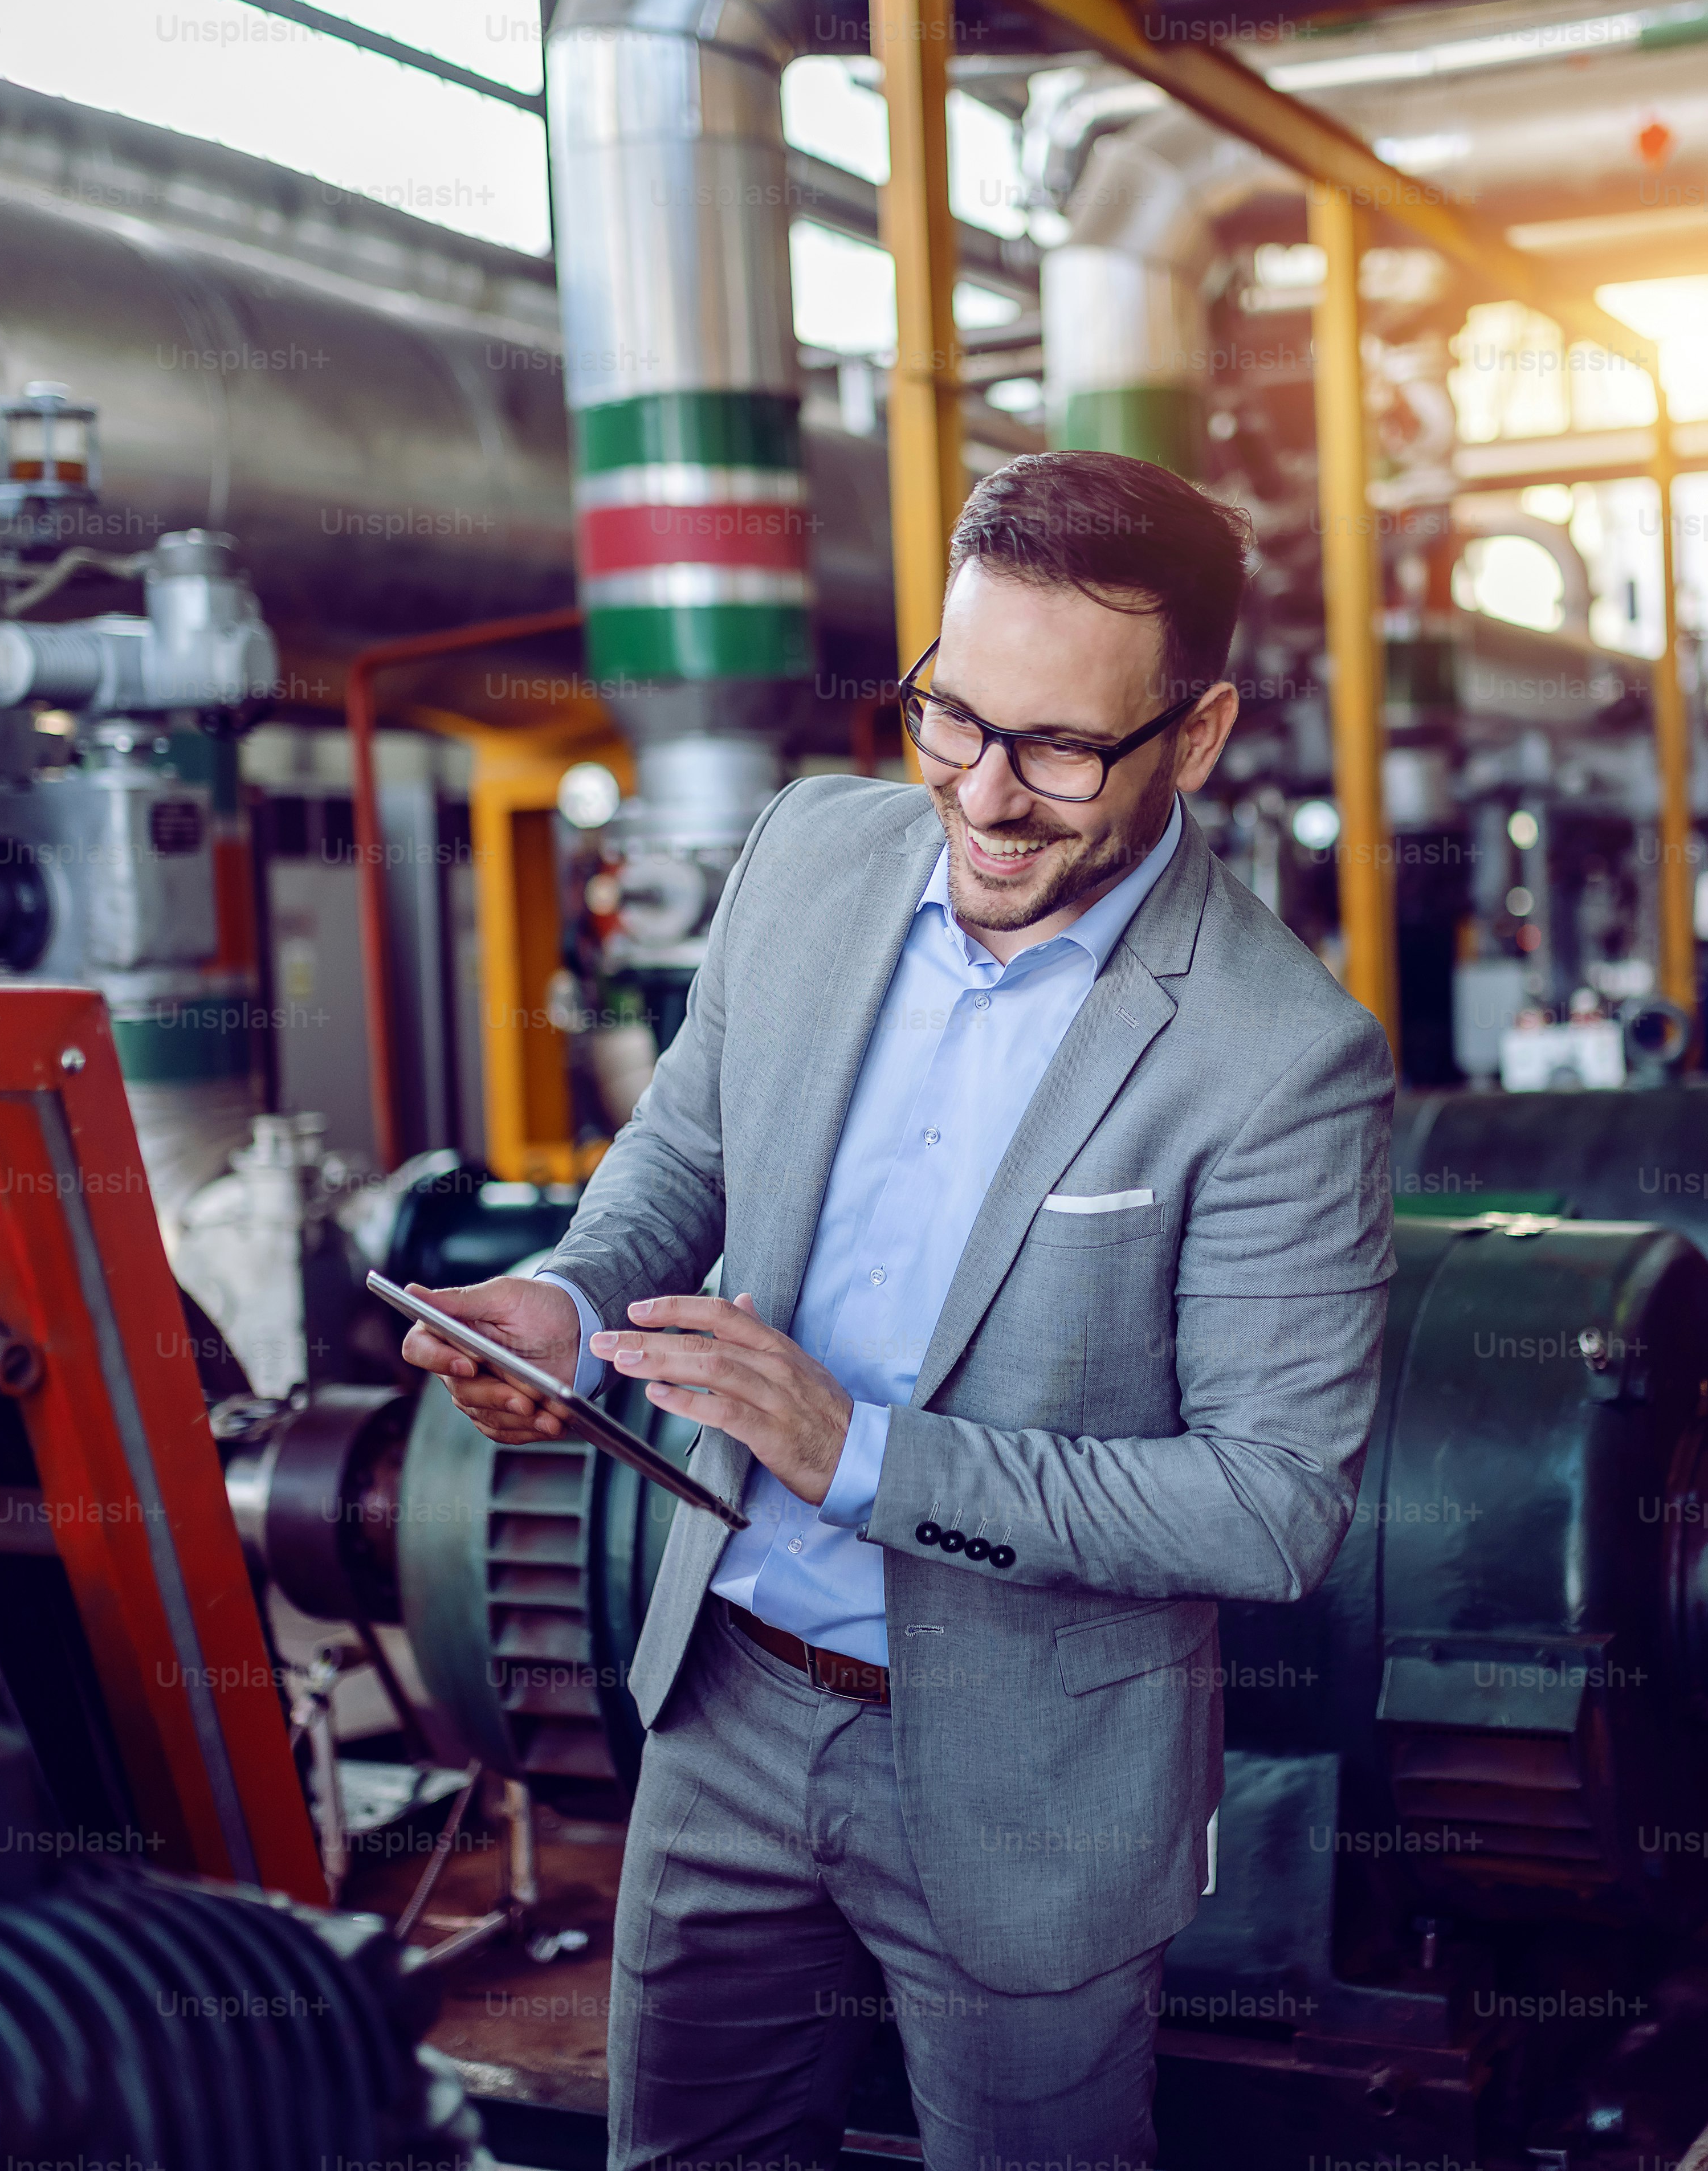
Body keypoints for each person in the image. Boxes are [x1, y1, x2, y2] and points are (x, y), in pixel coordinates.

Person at [401, 447, 1395, 2170]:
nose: (989, 797)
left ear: (1201, 734)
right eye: (955, 720)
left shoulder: (1278, 1059)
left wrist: (854, 1451)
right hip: (722, 1704)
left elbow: (1268, 1504)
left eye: (1066, 748)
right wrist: (572, 1294)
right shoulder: (810, 852)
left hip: (1031, 1783)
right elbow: (692, 1141)